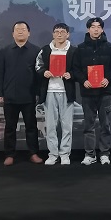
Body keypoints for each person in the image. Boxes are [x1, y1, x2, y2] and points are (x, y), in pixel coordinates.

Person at [0, 21, 42, 166]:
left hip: (29, 96)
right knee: (10, 127)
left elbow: (39, 75)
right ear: (13, 33)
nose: (20, 31)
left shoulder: (36, 51)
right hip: (9, 96)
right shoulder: (5, 51)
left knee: (31, 126)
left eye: (23, 29)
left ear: (29, 33)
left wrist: (38, 93)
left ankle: (33, 153)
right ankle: (9, 154)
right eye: (17, 29)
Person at [73, 17, 111, 166]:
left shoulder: (109, 47)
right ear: (88, 29)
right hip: (87, 92)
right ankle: (89, 154)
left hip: (104, 92)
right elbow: (76, 69)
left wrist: (108, 78)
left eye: (99, 27)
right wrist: (83, 80)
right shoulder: (80, 48)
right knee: (89, 125)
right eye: (93, 27)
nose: (96, 29)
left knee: (105, 125)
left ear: (102, 29)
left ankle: (104, 153)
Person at [36, 23, 77, 166]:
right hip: (49, 91)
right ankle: (53, 154)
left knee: (67, 126)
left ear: (68, 34)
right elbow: (38, 66)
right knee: (51, 125)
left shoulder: (73, 50)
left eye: (62, 32)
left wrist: (71, 74)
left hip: (66, 92)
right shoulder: (46, 50)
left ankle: (65, 154)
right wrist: (44, 72)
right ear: (53, 34)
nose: (59, 34)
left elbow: (79, 69)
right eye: (57, 32)